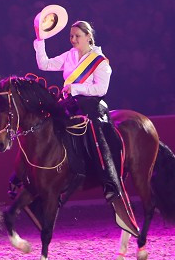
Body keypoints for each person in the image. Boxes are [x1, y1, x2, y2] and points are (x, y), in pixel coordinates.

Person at [34, 19, 129, 211]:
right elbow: (44, 64)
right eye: (71, 36)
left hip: (90, 104)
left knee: (95, 135)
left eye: (77, 36)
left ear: (88, 37)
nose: (73, 39)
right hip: (70, 102)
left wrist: (75, 88)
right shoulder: (69, 55)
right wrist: (40, 39)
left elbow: (101, 89)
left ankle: (109, 180)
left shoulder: (100, 61)